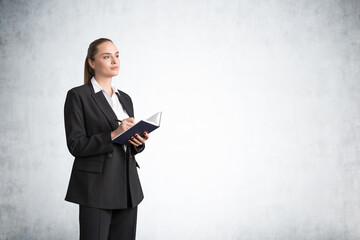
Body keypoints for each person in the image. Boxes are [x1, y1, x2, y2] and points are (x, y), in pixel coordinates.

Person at [64, 38, 149, 240]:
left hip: (128, 188)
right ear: (92, 63)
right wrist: (113, 134)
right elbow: (75, 145)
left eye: (117, 55)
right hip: (96, 188)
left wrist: (138, 142)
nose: (114, 60)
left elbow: (125, 143)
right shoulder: (78, 96)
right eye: (106, 56)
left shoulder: (125, 98)